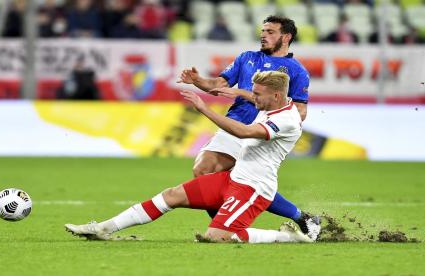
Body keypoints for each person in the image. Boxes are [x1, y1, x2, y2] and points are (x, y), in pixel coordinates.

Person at [65, 71, 316, 243]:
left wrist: (204, 108)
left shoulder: (287, 120)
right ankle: (102, 229)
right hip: (233, 178)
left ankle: (289, 237)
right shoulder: (276, 101)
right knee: (171, 195)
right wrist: (238, 92)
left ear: (275, 96)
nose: (254, 98)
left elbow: (244, 131)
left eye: (258, 95)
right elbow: (256, 97)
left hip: (253, 188)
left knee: (218, 238)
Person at [177, 15, 319, 236]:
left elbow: (300, 112)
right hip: (234, 124)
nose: (263, 35)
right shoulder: (246, 58)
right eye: (263, 31)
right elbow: (218, 85)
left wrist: (247, 96)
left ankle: (301, 217)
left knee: (252, 183)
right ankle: (227, 229)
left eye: (270, 32)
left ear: (286, 37)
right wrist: (198, 80)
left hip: (260, 134)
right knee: (202, 170)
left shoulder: (296, 70)